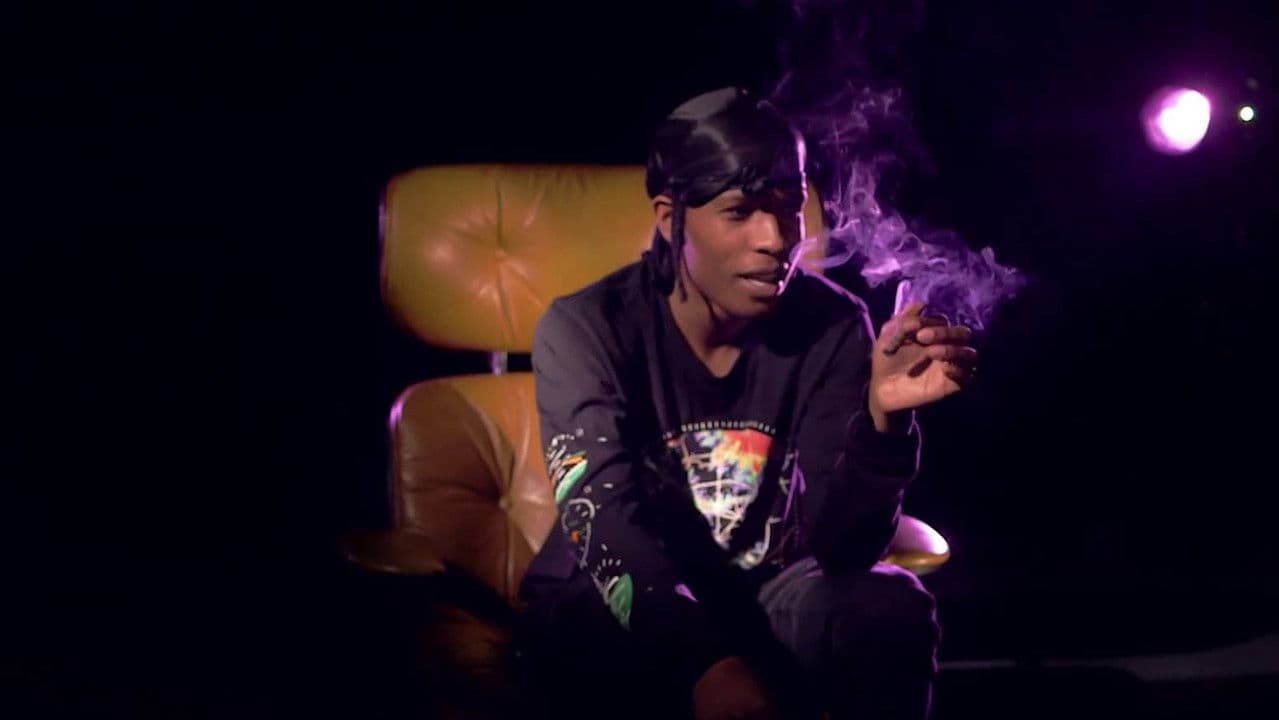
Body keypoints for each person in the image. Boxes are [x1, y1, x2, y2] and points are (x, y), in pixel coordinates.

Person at [516, 87, 977, 720]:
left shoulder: (833, 324)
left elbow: (844, 553)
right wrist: (703, 660)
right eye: (739, 211)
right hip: (619, 598)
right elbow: (605, 518)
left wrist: (884, 423)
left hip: (766, 594)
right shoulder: (587, 326)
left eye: (789, 207)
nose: (776, 238)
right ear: (669, 217)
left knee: (884, 606)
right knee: (592, 632)